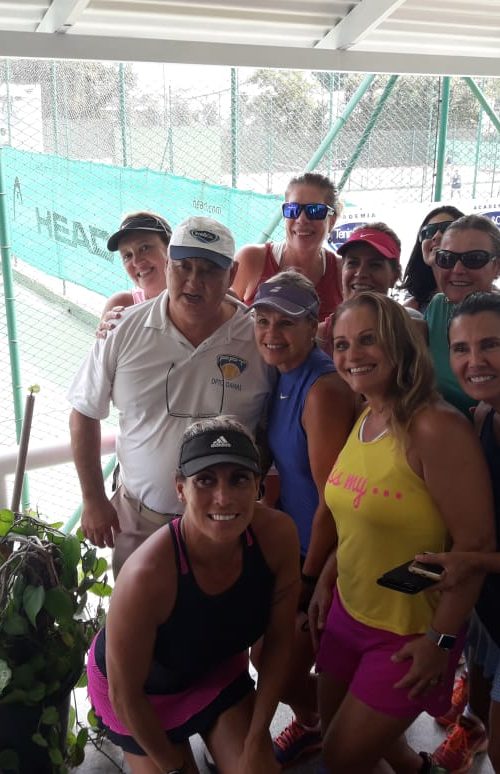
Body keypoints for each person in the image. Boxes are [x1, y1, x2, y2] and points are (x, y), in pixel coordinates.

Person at [309, 292, 495, 773]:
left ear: (398, 345)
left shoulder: (435, 428)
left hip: (407, 632)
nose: (352, 354)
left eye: (368, 340)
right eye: (342, 344)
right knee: (336, 739)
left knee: (341, 758)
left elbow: (474, 548)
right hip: (348, 612)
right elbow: (357, 514)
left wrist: (440, 642)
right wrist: (328, 575)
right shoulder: (367, 413)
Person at [86, 417, 301, 774]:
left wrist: (256, 738)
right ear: (180, 489)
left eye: (239, 479)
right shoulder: (145, 577)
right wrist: (174, 767)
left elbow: (279, 643)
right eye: (205, 480)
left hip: (215, 670)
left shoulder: (277, 537)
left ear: (257, 485)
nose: (223, 498)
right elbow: (125, 695)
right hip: (142, 696)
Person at [68, 216, 274, 576]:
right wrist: (94, 498)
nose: (194, 281)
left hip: (226, 525)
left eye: (209, 269)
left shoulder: (258, 339)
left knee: (219, 611)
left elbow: (273, 426)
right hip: (141, 520)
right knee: (135, 610)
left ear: (232, 273)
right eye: (184, 266)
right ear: (168, 266)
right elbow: (84, 412)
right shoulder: (123, 330)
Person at [249, 271, 355, 767]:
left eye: (286, 322)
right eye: (263, 320)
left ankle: (346, 722)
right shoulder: (280, 373)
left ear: (314, 325)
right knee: (266, 657)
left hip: (325, 553)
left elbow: (334, 500)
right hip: (293, 546)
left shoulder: (322, 389)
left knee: (279, 664)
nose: (272, 332)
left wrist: (312, 578)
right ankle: (318, 721)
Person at [418, 292, 500, 773]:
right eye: (461, 349)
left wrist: (471, 561)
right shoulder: (484, 415)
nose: (475, 361)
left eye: (490, 345)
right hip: (489, 605)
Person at [231, 172, 343, 321]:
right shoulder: (251, 259)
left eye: (315, 210)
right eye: (293, 209)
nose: (301, 219)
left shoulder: (342, 270)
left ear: (332, 220)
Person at [425, 214, 500, 415]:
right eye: (446, 259)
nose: (457, 269)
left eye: (474, 259)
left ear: (497, 266)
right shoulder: (437, 308)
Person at [317, 222, 404, 359]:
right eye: (353, 263)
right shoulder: (319, 338)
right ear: (341, 270)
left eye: (374, 265)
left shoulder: (411, 333)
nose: (361, 273)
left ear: (395, 276)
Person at [99, 211, 172, 334]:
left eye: (144, 248)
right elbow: (102, 345)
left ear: (170, 247)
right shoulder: (122, 306)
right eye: (127, 255)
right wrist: (103, 339)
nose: (136, 262)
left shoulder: (194, 299)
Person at [401, 206, 464, 313]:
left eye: (447, 229)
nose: (436, 236)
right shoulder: (410, 309)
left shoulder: (487, 302)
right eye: (428, 231)